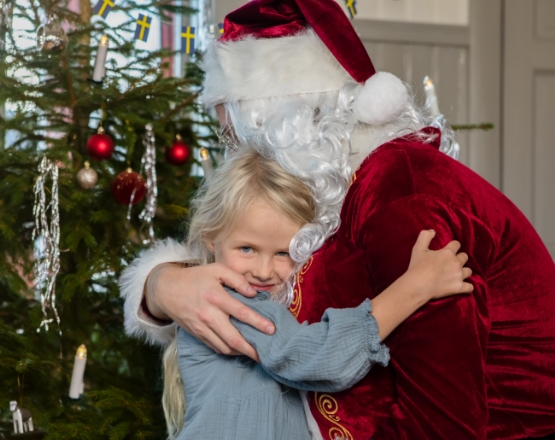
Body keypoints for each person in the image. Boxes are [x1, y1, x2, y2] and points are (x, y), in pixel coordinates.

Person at [120, 0, 555, 438]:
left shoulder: (401, 194)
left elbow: (443, 424)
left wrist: (412, 288)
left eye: (238, 137)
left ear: (284, 128)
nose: (235, 156)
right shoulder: (334, 186)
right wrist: (160, 285)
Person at [160, 148, 472, 440]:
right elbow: (316, 358)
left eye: (284, 252)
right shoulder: (226, 301)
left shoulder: (282, 302)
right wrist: (415, 286)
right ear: (211, 239)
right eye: (247, 248)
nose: (264, 271)